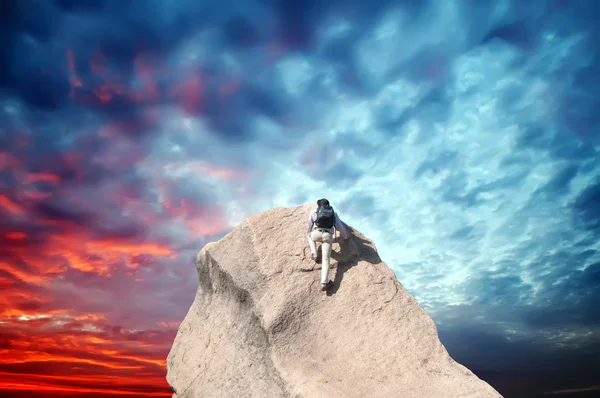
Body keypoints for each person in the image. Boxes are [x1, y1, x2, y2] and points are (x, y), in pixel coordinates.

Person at [307, 198, 349, 291]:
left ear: (319, 205)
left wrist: (310, 232)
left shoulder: (314, 211)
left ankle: (314, 254)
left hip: (316, 233)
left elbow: (309, 226)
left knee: (309, 235)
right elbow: (339, 227)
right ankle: (324, 283)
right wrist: (345, 236)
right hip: (328, 236)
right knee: (326, 259)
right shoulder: (333, 213)